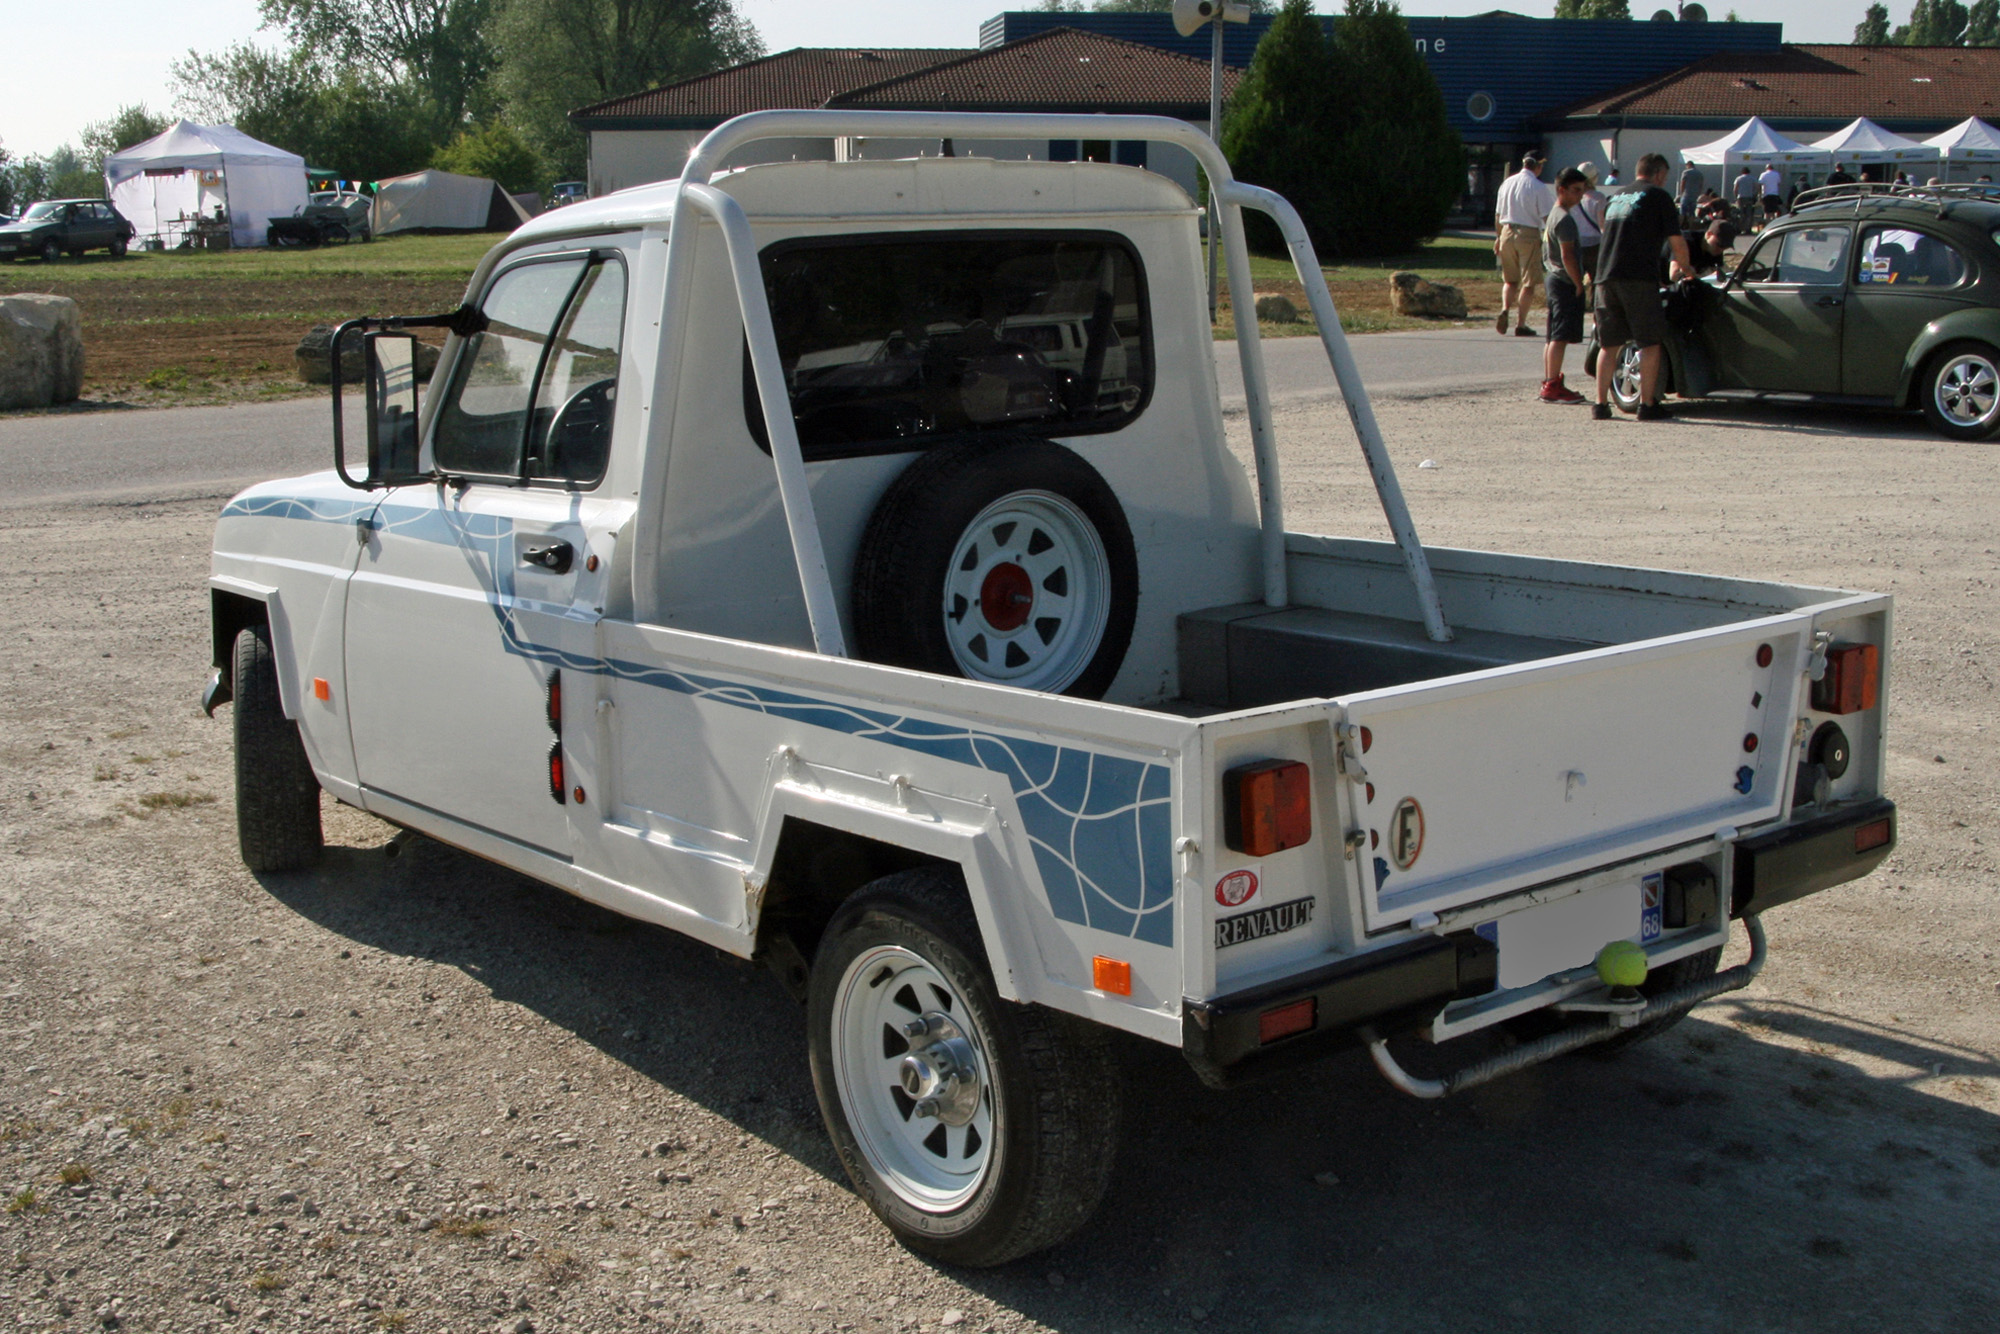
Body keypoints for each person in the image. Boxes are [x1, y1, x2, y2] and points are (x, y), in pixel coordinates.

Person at [1594, 152, 1693, 423]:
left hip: (1605, 277)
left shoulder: (1617, 197)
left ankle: (1600, 404)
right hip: (1637, 277)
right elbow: (1677, 241)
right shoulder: (1658, 197)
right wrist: (1686, 269)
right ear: (1659, 173)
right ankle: (1648, 404)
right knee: (1650, 342)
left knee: (1609, 344)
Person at [1540, 168, 1592, 404]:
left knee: (1552, 336)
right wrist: (1577, 282)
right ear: (1561, 190)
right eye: (1576, 190)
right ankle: (1552, 385)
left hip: (1552, 278)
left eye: (1582, 190)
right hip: (1563, 280)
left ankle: (1550, 379)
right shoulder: (1564, 218)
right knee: (1559, 336)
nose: (1580, 195)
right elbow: (1568, 255)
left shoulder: (1553, 215)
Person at [1492, 153, 1555, 337]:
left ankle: (1505, 308)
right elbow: (1546, 217)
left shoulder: (1507, 183)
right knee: (1528, 282)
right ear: (1539, 166)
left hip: (1506, 231)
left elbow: (1498, 214)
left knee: (1510, 279)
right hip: (1528, 233)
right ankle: (1521, 323)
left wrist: (1498, 237)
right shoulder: (1538, 186)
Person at [1575, 161, 1607, 280]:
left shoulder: (1573, 196)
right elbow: (1602, 224)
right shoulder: (1599, 197)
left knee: (1575, 283)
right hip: (1595, 246)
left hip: (1577, 244)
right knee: (1596, 282)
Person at [1677, 161, 1706, 225]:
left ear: (1688, 165)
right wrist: (1698, 194)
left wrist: (1681, 193)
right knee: (1692, 212)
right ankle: (1690, 226)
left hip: (1686, 194)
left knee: (1682, 211)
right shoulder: (1699, 173)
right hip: (1695, 195)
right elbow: (1701, 185)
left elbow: (1683, 183)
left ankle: (1681, 226)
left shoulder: (1686, 172)